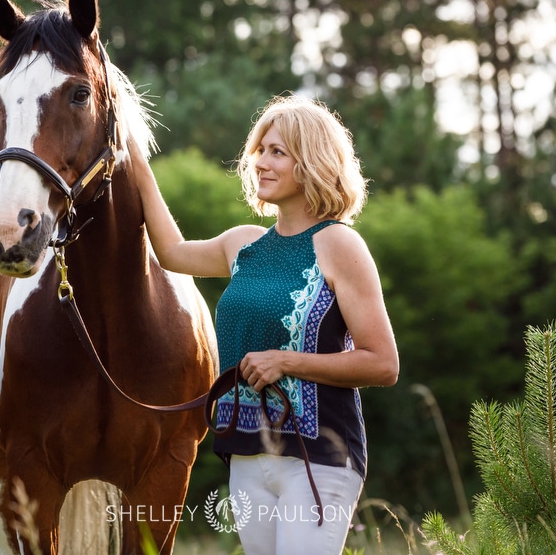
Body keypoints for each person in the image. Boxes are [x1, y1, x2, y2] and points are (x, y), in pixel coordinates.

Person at [133, 94, 399, 555]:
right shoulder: (242, 244)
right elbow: (170, 253)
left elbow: (383, 364)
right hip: (246, 454)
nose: (260, 162)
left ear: (313, 161)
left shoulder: (340, 245)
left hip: (319, 458)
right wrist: (133, 160)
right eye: (260, 150)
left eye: (277, 152)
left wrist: (286, 362)